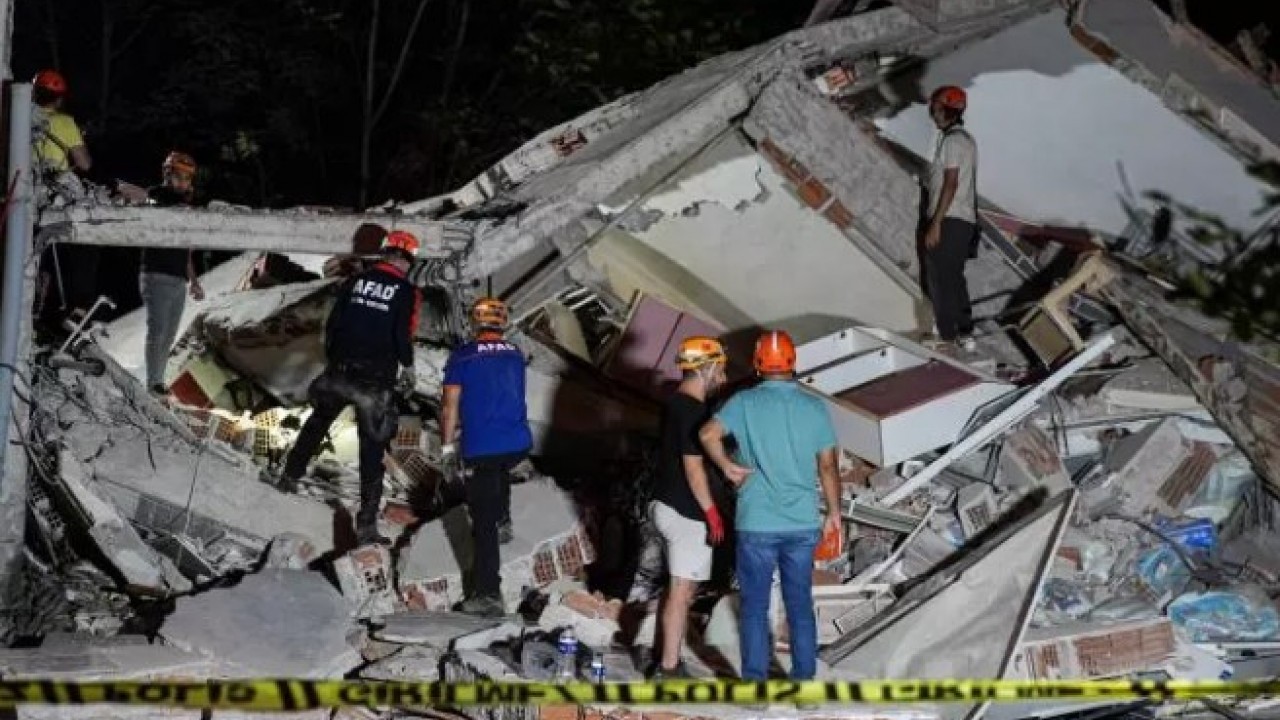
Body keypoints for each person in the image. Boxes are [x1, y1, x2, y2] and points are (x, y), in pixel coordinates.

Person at [699, 330, 840, 682]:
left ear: (759, 364)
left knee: (754, 608)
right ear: (793, 363)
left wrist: (726, 466)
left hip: (757, 522)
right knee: (800, 607)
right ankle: (804, 686)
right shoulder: (814, 407)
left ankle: (755, 689)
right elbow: (827, 466)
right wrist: (834, 513)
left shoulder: (744, 403)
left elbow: (706, 435)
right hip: (801, 523)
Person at [280, 230, 422, 545]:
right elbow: (403, 335)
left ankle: (289, 476)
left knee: (318, 421)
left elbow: (334, 324)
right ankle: (366, 525)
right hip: (375, 379)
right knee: (372, 447)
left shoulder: (356, 281)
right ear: (408, 260)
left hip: (341, 369)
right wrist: (408, 365)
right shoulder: (407, 291)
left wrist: (336, 358)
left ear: (385, 254)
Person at [440, 297, 533, 618]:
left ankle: (488, 594)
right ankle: (504, 520)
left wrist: (447, 447)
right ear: (502, 323)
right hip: (518, 441)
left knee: (481, 523)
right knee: (499, 473)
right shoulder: (515, 355)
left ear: (474, 322)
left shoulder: (463, 356)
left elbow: (449, 407)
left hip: (483, 447)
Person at [650, 336, 729, 679]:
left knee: (677, 588)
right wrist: (711, 512)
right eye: (721, 369)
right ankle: (668, 668)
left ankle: (666, 657)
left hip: (662, 503)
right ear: (708, 367)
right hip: (685, 512)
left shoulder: (674, 404)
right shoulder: (694, 412)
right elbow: (693, 467)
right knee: (682, 592)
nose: (723, 377)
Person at [139, 151, 205, 394]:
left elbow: (186, 250)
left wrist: (195, 282)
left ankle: (158, 381)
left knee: (168, 336)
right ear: (167, 174)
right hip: (157, 275)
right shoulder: (157, 195)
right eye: (180, 177)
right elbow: (150, 201)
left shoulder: (185, 205)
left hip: (178, 279)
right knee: (157, 331)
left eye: (188, 178)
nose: (184, 183)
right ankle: (152, 383)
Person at [921, 85, 979, 352]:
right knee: (954, 277)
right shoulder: (964, 139)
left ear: (943, 109)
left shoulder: (953, 141)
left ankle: (946, 336)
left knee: (941, 278)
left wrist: (936, 224)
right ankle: (965, 332)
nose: (932, 111)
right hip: (961, 220)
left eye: (934, 106)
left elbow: (951, 183)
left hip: (950, 219)